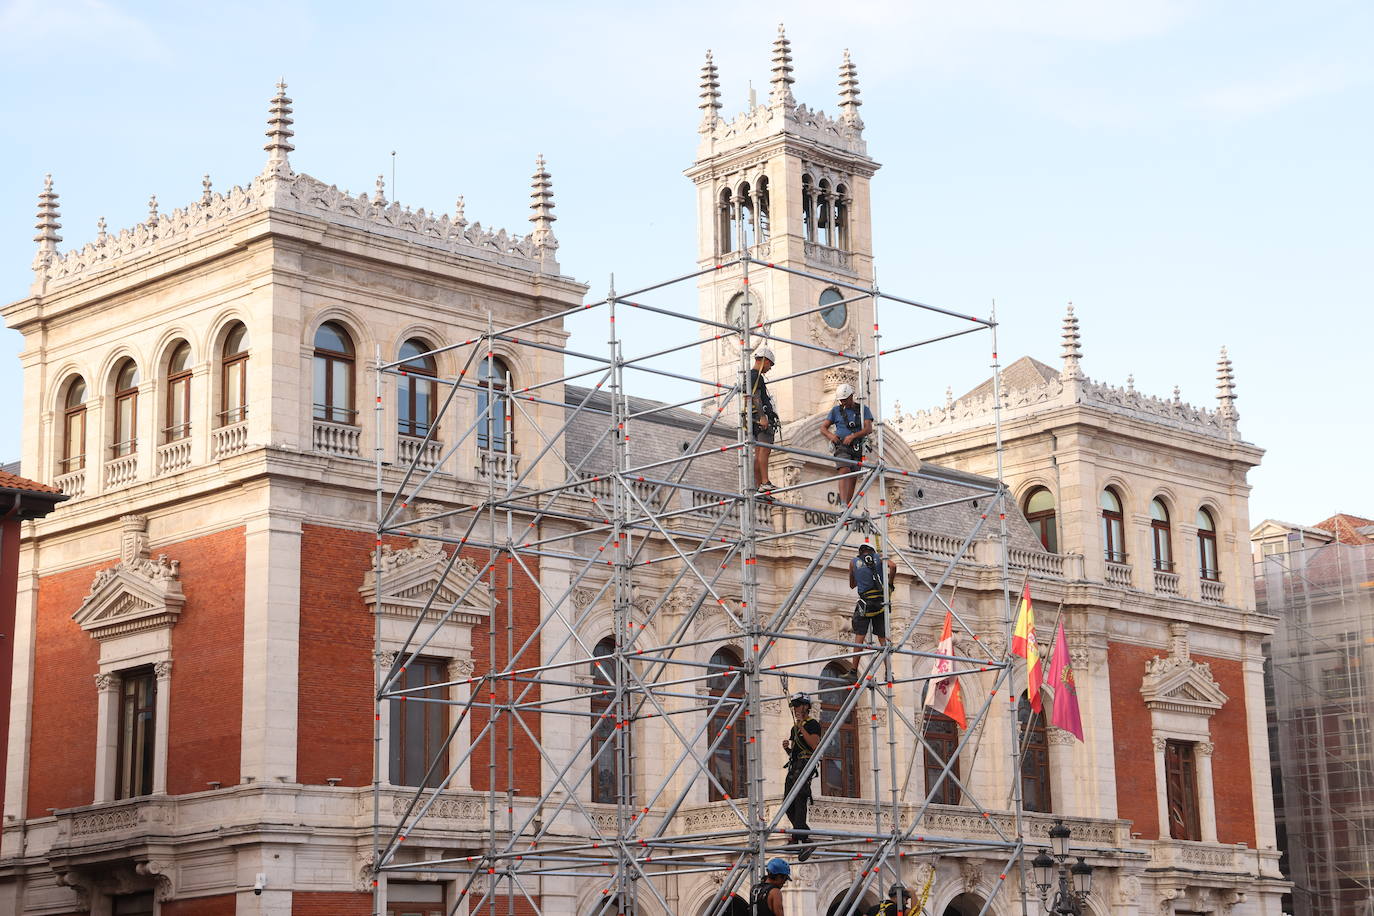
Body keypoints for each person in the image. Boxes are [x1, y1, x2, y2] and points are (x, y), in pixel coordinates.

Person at [782, 692, 821, 861]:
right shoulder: (794, 728)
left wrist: (801, 728)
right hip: (795, 765)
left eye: (798, 706)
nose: (796, 709)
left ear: (805, 707)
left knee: (800, 798)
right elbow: (796, 751)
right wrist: (787, 749)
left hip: (805, 765)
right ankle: (803, 834)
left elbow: (814, 745)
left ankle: (799, 836)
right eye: (795, 706)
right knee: (787, 801)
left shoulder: (812, 724)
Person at [821, 383, 873, 505]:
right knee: (844, 469)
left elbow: (868, 429)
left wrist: (853, 436)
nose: (843, 403)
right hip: (842, 446)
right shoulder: (835, 411)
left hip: (857, 447)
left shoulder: (863, 410)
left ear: (851, 396)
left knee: (853, 476)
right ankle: (843, 503)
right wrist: (832, 436)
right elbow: (823, 428)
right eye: (841, 401)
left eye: (845, 400)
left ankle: (848, 506)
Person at [850, 544, 897, 647]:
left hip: (865, 603)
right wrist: (890, 583)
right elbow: (893, 566)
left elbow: (852, 585)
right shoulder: (879, 557)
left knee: (859, 638)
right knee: (882, 637)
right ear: (873, 552)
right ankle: (886, 661)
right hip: (880, 602)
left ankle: (855, 664)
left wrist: (861, 577)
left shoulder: (853, 562)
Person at [749, 346, 780, 497]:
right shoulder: (756, 376)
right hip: (761, 419)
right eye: (770, 365)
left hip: (754, 419)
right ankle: (764, 482)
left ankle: (759, 485)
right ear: (765, 361)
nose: (769, 369)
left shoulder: (750, 375)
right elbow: (755, 396)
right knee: (764, 451)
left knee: (758, 453)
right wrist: (763, 416)